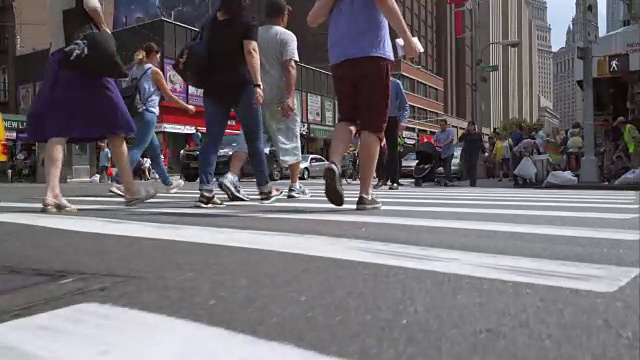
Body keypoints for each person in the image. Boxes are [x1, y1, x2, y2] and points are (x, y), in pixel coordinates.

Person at [27, 0, 155, 212]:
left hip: (60, 56)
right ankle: (130, 189)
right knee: (116, 122)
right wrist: (104, 28)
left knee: (59, 127)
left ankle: (52, 192)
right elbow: (91, 4)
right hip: (87, 55)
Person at [308, 0, 419, 210]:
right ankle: (365, 194)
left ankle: (334, 163)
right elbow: (385, 3)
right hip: (373, 53)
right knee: (373, 124)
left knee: (347, 117)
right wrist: (407, 39)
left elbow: (313, 19)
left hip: (340, 57)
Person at [195, 0, 282, 207]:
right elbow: (251, 51)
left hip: (213, 88)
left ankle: (205, 190)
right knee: (254, 140)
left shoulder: (210, 23)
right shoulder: (246, 21)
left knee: (212, 141)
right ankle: (264, 188)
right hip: (242, 87)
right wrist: (258, 84)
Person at [219, 0, 310, 201]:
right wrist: (290, 96)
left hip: (255, 94)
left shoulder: (254, 33)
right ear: (284, 14)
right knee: (290, 137)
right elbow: (289, 66)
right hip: (279, 97)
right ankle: (294, 185)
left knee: (249, 137)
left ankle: (232, 175)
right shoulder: (287, 36)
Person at [109, 42, 191, 197]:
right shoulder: (154, 71)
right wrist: (186, 106)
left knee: (154, 151)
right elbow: (168, 96)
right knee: (138, 148)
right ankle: (118, 181)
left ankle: (168, 183)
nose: (158, 61)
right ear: (153, 55)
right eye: (158, 57)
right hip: (149, 113)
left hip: (136, 114)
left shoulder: (134, 70)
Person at [374, 76, 409, 190]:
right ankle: (381, 178)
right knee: (379, 150)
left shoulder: (396, 84)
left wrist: (403, 122)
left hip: (392, 119)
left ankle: (394, 180)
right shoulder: (374, 82)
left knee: (393, 151)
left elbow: (405, 105)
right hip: (379, 120)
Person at [458, 121, 485, 187]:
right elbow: (460, 140)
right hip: (467, 152)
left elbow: (481, 143)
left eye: (471, 126)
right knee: (467, 166)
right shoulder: (465, 134)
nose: (470, 127)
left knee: (473, 166)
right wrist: (464, 132)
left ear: (474, 127)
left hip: (475, 153)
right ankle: (469, 177)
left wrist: (483, 150)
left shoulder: (478, 135)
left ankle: (473, 182)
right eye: (469, 126)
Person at [433, 118, 455, 182]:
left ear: (446, 125)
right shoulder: (438, 133)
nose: (442, 126)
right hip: (441, 152)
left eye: (443, 125)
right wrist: (432, 143)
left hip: (449, 152)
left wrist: (443, 144)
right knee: (436, 165)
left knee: (447, 166)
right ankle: (438, 178)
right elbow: (434, 139)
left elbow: (450, 140)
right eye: (440, 125)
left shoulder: (450, 131)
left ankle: (449, 180)